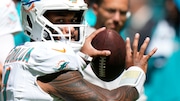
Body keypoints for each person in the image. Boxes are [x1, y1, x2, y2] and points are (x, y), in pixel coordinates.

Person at [1, 0, 157, 101]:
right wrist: (136, 72)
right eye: (61, 21)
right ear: (32, 19)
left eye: (74, 20)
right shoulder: (48, 59)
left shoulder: (19, 52)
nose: (71, 29)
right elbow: (110, 99)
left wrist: (82, 57)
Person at [83, 0, 147, 100]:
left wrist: (132, 71)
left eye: (123, 13)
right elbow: (110, 97)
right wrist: (136, 73)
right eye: (111, 11)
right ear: (95, 9)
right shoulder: (81, 43)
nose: (117, 18)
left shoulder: (125, 45)